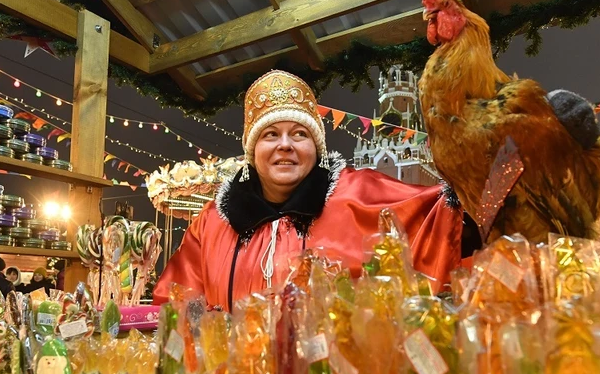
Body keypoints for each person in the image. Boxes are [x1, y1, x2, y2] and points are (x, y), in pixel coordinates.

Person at [153, 70, 476, 309]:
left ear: (316, 146)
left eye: (299, 134)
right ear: (252, 150)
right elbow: (175, 300)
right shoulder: (212, 224)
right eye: (270, 135)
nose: (285, 145)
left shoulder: (359, 196)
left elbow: (437, 213)